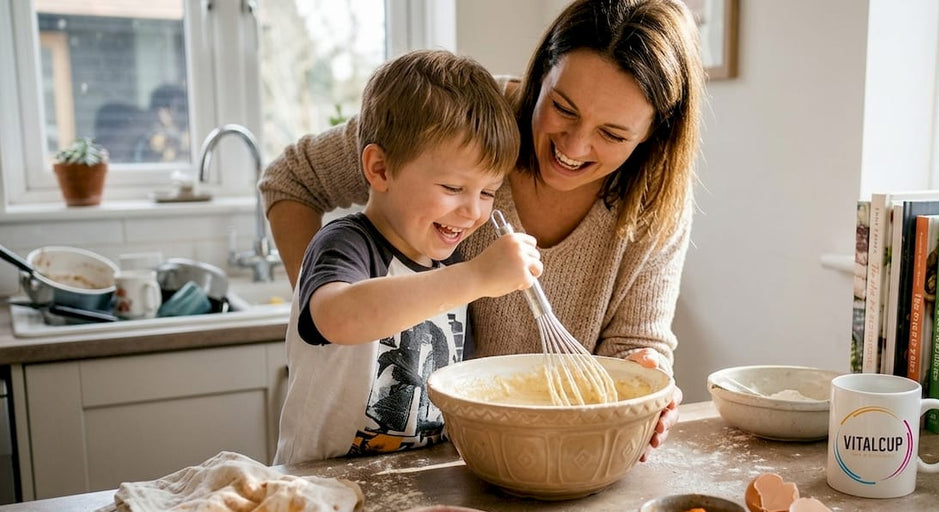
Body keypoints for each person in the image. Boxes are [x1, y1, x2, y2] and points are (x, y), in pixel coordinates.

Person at [260, 0, 705, 459]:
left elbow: (635, 343)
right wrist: (329, 318)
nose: (574, 145)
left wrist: (645, 374)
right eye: (563, 108)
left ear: (654, 132)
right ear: (541, 76)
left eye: (613, 134)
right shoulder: (468, 122)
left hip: (497, 458)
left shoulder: (655, 196)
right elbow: (293, 179)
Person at [273, 49, 541, 465]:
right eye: (452, 187)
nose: (473, 211)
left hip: (414, 481)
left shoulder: (449, 268)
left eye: (487, 192)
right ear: (380, 169)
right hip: (319, 487)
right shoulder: (346, 244)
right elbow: (338, 316)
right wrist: (476, 278)